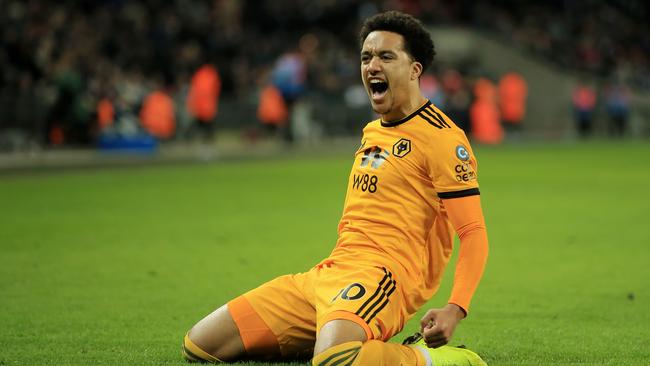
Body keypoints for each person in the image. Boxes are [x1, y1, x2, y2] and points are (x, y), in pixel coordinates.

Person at [183, 11, 489, 366]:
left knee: (334, 360)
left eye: (386, 56)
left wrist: (456, 308)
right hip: (328, 274)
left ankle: (442, 360)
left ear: (414, 69)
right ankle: (333, 341)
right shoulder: (373, 130)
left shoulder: (442, 138)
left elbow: (473, 232)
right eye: (366, 57)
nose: (372, 65)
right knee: (201, 345)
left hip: (384, 278)